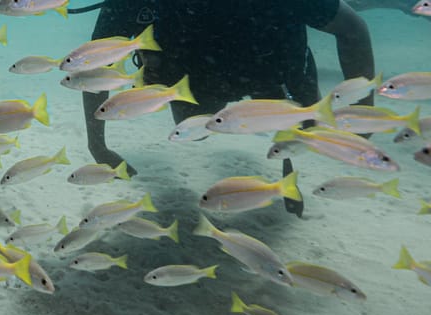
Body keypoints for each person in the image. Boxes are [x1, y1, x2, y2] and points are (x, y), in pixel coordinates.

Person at [81, 0, 375, 216]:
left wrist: (364, 118)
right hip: (196, 79)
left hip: (274, 71)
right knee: (192, 128)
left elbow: (353, 28)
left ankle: (287, 158)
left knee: (307, 130)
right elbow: (96, 62)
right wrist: (99, 147)